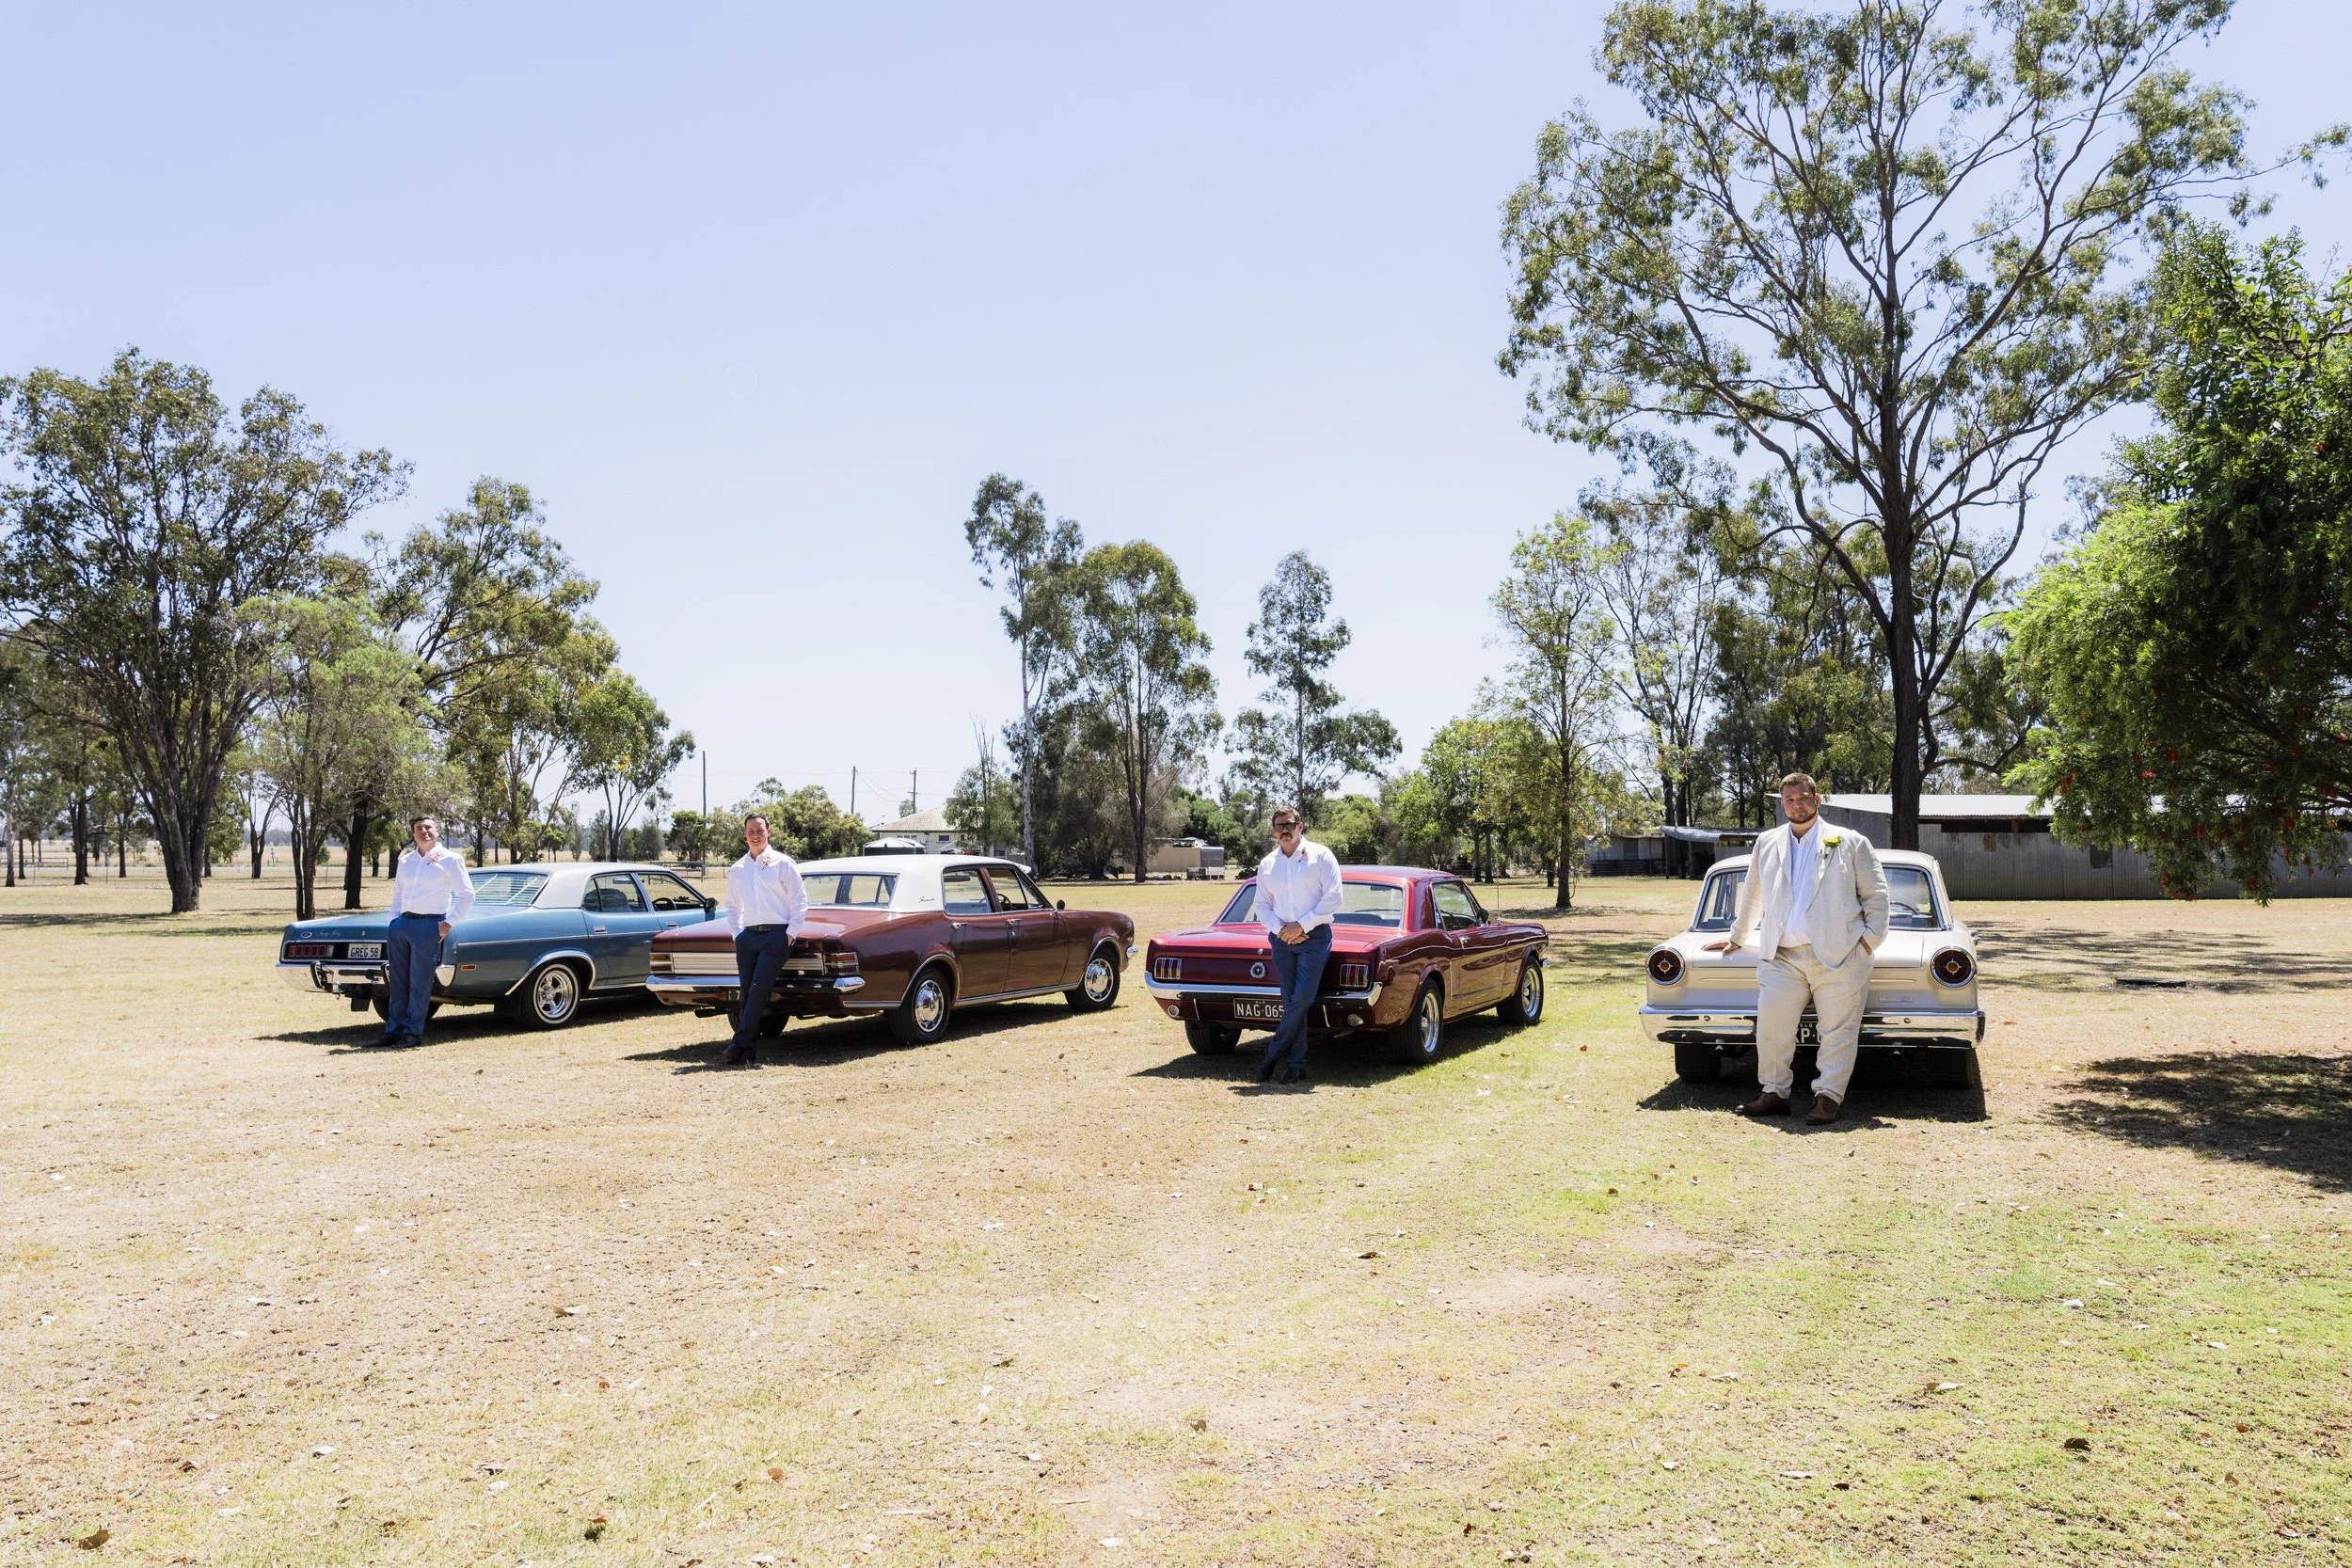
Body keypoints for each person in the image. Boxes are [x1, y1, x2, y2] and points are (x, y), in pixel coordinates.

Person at [1705, 772, 1889, 1124]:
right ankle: (1774, 1093)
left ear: (1816, 800)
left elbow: (1877, 897)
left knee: (1837, 1030)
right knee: (1772, 1025)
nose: (1796, 804)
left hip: (1839, 955)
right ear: (1782, 803)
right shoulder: (1767, 842)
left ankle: (1827, 1097)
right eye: (1789, 800)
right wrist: (1737, 936)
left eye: (1803, 798)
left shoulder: (1850, 842)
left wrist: (1867, 942)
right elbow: (1753, 894)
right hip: (1781, 956)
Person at [1251, 805, 1343, 1085]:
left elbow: (1334, 898)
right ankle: (1296, 1064)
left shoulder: (1321, 856)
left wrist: (1301, 925)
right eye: (1279, 826)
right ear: (1273, 832)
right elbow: (1261, 906)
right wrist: (1282, 930)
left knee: (1302, 999)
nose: (1284, 830)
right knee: (1291, 1002)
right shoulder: (1268, 864)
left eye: (1289, 824)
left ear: (1300, 826)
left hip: (1314, 938)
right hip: (1281, 941)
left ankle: (1270, 1055)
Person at [720, 814, 806, 1068]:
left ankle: (737, 1044)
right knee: (746, 993)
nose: (755, 835)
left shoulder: (783, 863)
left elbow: (800, 900)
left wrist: (790, 933)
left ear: (769, 832)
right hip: (748, 937)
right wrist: (738, 936)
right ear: (745, 834)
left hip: (776, 937)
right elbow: (732, 906)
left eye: (759, 830)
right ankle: (748, 1052)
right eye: (750, 831)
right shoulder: (738, 869)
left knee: (758, 989)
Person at [382, 816, 475, 1049]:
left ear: (437, 831)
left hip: (429, 926)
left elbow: (467, 895)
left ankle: (412, 1035)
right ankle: (393, 1032)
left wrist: (448, 923)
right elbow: (398, 895)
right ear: (413, 834)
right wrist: (394, 921)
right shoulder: (406, 861)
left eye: (428, 827)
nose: (424, 831)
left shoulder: (451, 860)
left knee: (419, 983)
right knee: (398, 982)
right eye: (418, 828)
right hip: (402, 925)